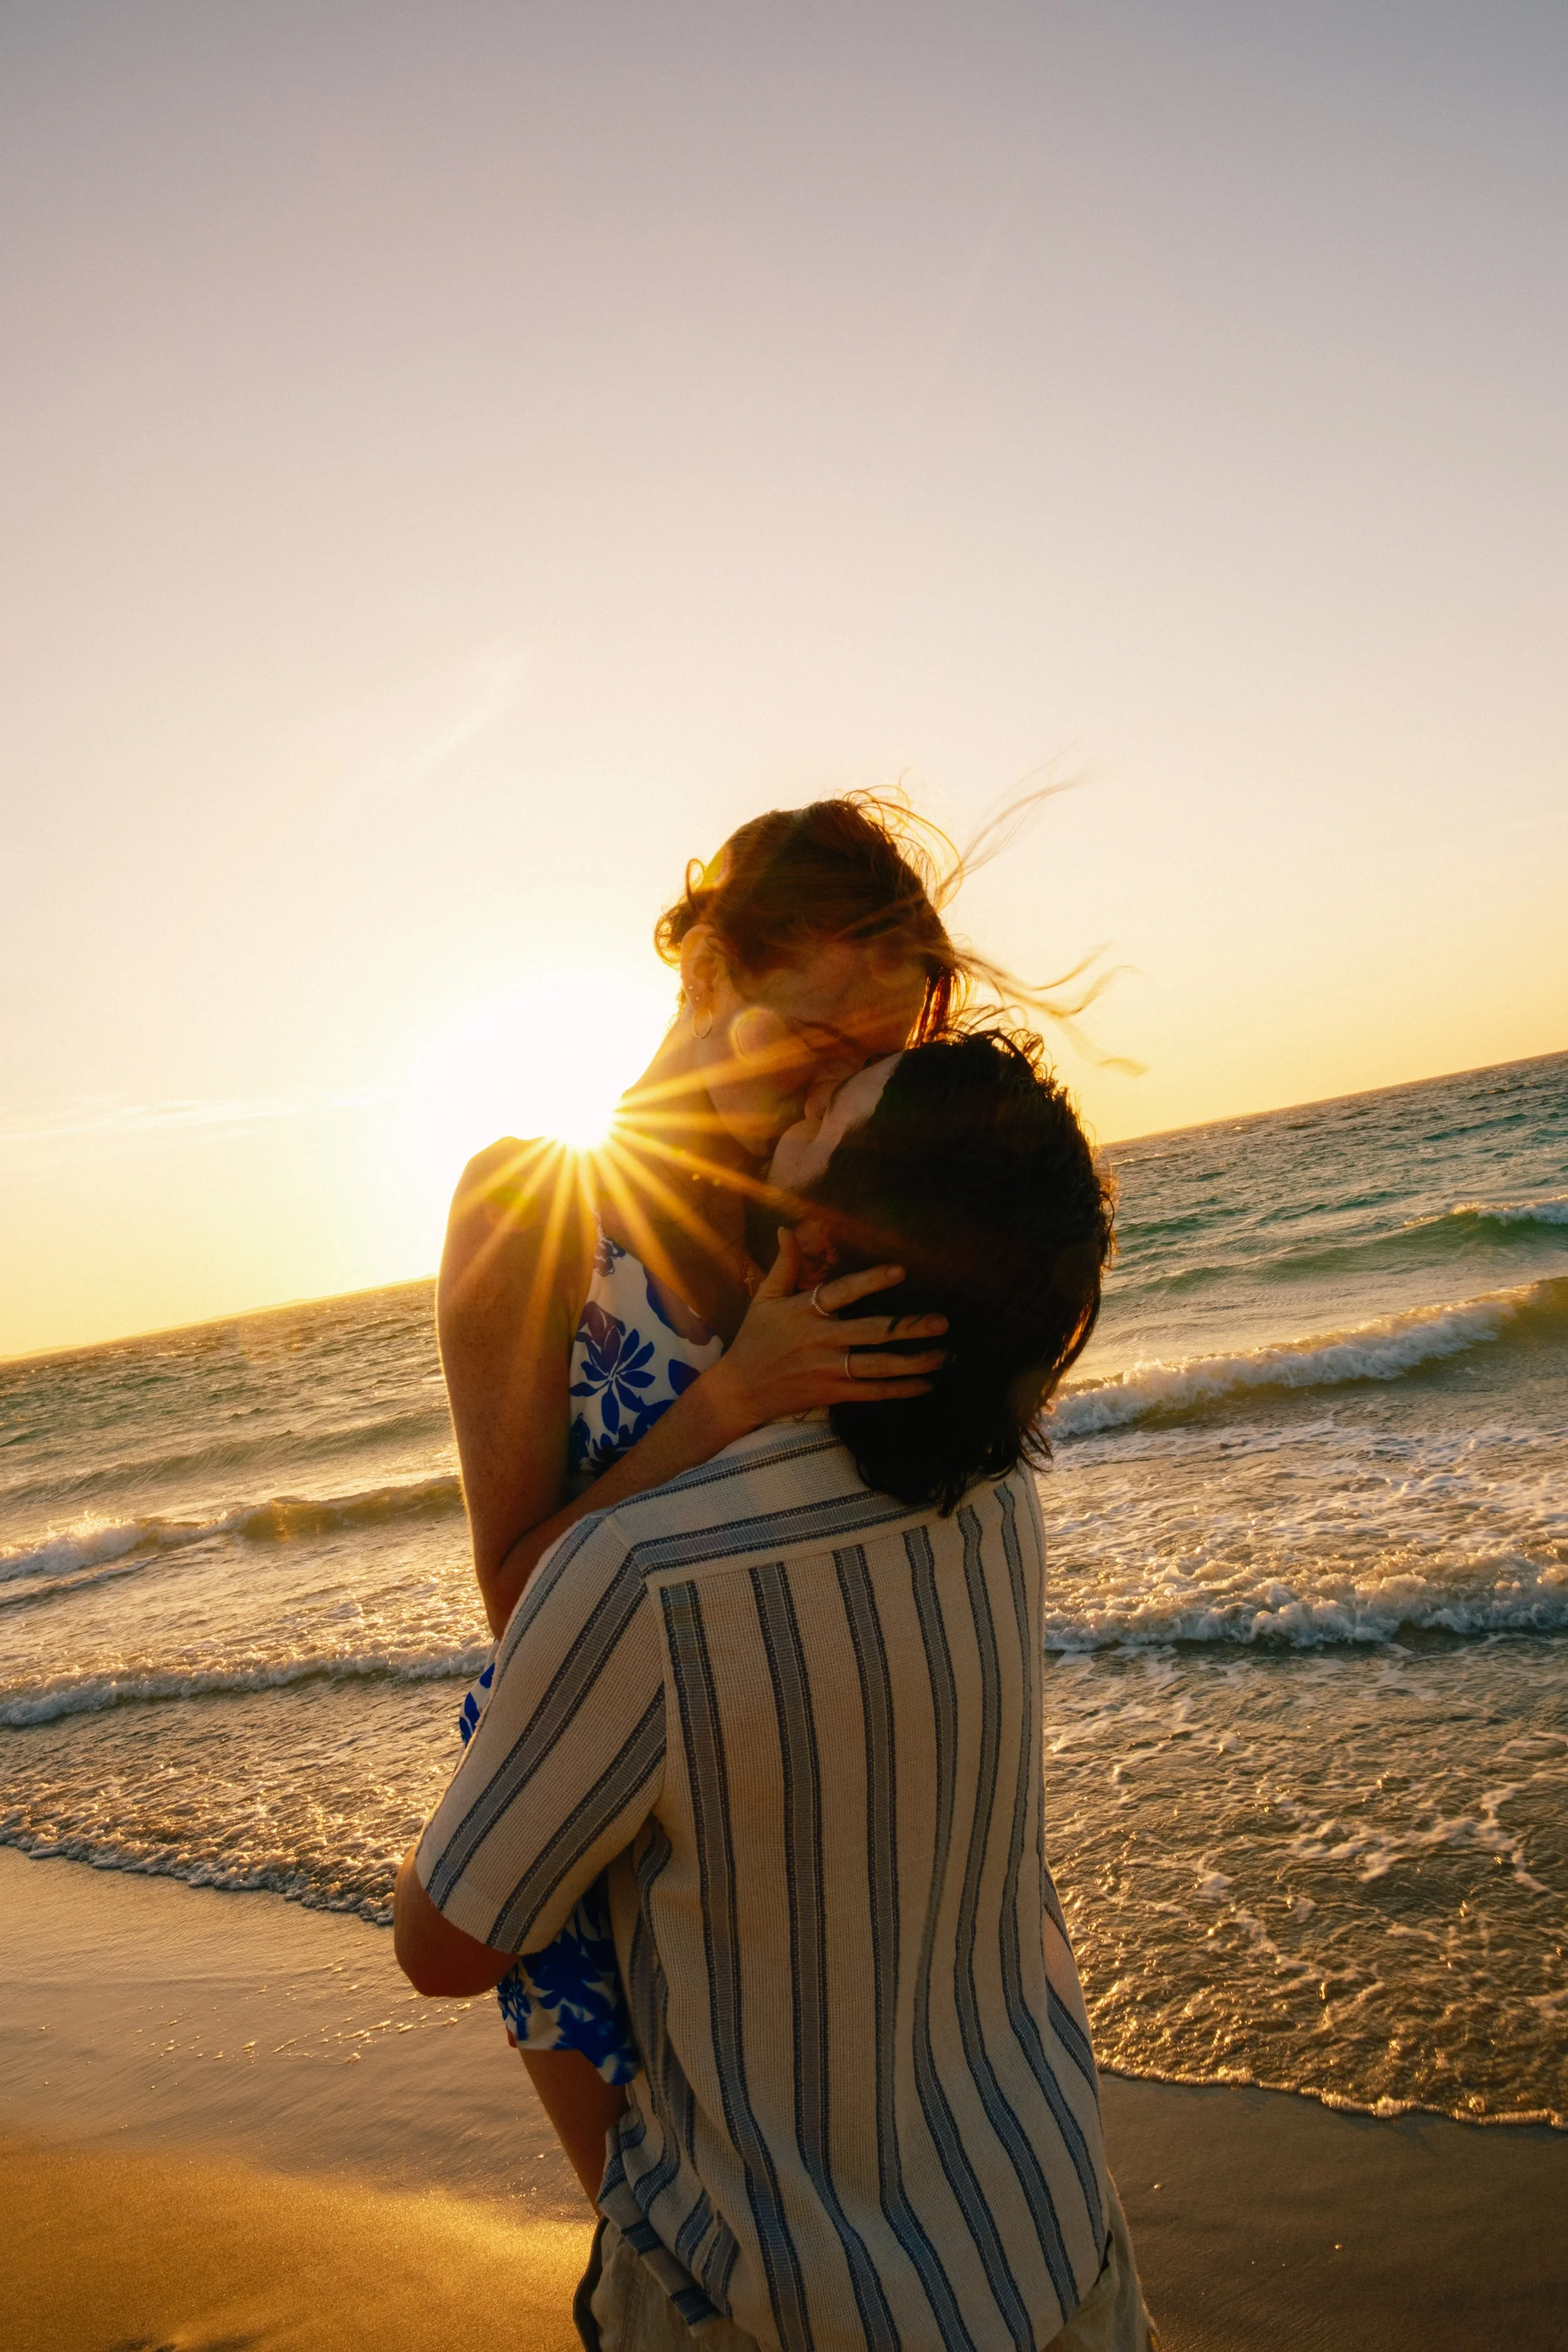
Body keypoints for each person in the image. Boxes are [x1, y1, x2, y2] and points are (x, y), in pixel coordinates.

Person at [397, 1029, 1157, 2352]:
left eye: (817, 1112)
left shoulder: (638, 1576)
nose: (785, 1105)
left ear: (809, 1247)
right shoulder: (998, 1500)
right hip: (1059, 2243)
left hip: (790, 2305)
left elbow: (443, 1946)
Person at [438, 796, 1014, 2176]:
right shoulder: (530, 1207)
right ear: (703, 968)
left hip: (812, 1807)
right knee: (676, 2263)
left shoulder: (821, 1195)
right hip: (599, 1829)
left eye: (867, 1065)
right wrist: (732, 1398)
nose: (828, 1097)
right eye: (811, 1046)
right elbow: (519, 1596)